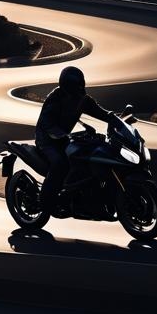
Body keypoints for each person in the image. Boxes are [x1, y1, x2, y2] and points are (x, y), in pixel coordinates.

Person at [35, 66, 112, 211]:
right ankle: (45, 202)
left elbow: (101, 113)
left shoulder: (82, 98)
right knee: (60, 163)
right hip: (47, 141)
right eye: (76, 85)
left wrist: (116, 119)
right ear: (67, 85)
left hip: (64, 139)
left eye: (80, 84)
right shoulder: (55, 99)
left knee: (88, 157)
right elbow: (46, 123)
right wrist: (63, 135)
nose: (79, 88)